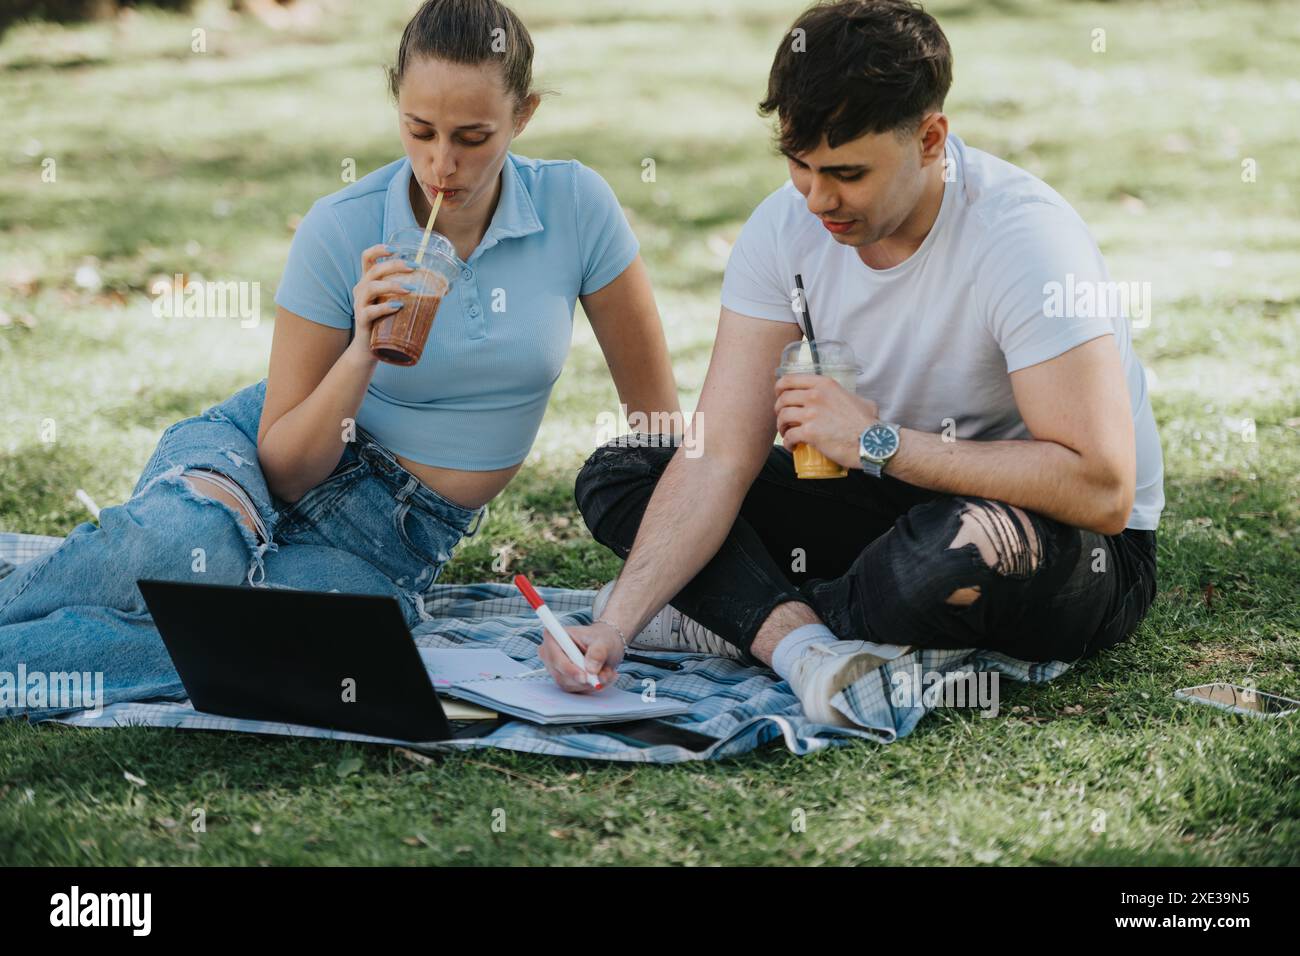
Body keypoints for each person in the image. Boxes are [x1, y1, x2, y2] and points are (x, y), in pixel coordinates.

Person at [0, 0, 680, 720]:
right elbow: (286, 467)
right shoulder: (342, 224)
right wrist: (361, 350)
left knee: (274, 639)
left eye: (473, 136)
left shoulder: (576, 206)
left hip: (394, 539)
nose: (441, 163)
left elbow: (658, 428)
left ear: (525, 114)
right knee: (182, 543)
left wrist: (640, 605)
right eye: (420, 130)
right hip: (261, 454)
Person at [546, 0, 1164, 727]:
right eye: (799, 166)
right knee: (628, 470)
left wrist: (880, 442)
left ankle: (728, 613)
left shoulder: (1026, 242)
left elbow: (1101, 488)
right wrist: (616, 627)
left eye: (846, 173)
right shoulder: (784, 227)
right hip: (881, 503)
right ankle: (797, 640)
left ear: (931, 138)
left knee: (939, 562)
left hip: (1066, 542)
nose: (816, 199)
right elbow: (716, 458)